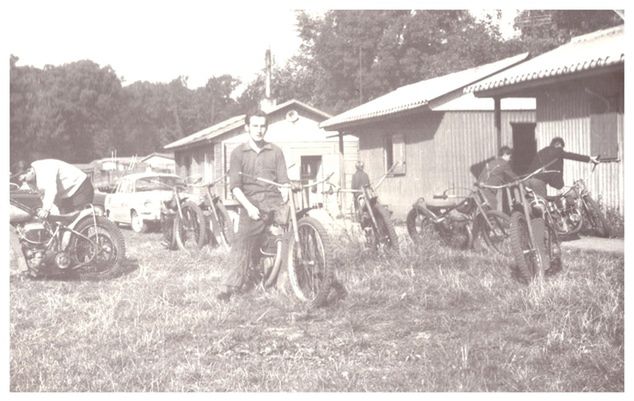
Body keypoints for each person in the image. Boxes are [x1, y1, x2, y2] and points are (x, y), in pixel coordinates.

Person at [217, 110, 290, 302]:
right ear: (247, 127)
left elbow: (284, 182)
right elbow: (235, 188)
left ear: (267, 127)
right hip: (251, 204)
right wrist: (249, 207)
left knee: (290, 239)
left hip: (274, 202)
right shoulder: (238, 153)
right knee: (242, 242)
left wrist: (285, 193)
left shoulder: (275, 151)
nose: (259, 130)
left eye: (263, 126)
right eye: (255, 126)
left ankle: (287, 282)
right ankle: (230, 287)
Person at [18, 158, 95, 219]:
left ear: (29, 171)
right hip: (67, 193)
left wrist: (45, 210)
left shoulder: (44, 168)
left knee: (78, 223)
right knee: (64, 222)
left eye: (24, 179)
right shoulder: (32, 173)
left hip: (81, 187)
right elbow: (28, 191)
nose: (24, 182)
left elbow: (51, 190)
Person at [526, 137, 599, 198]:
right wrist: (589, 159)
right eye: (562, 147)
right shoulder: (558, 150)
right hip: (538, 182)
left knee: (532, 206)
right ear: (558, 144)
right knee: (542, 209)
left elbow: (535, 167)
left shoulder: (541, 152)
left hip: (528, 180)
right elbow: (572, 156)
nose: (562, 150)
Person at [477, 146, 517, 210]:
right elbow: (512, 176)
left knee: (485, 208)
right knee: (493, 204)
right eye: (509, 156)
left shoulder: (492, 162)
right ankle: (491, 219)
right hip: (488, 189)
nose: (510, 158)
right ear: (505, 155)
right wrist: (520, 180)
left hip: (481, 187)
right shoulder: (504, 163)